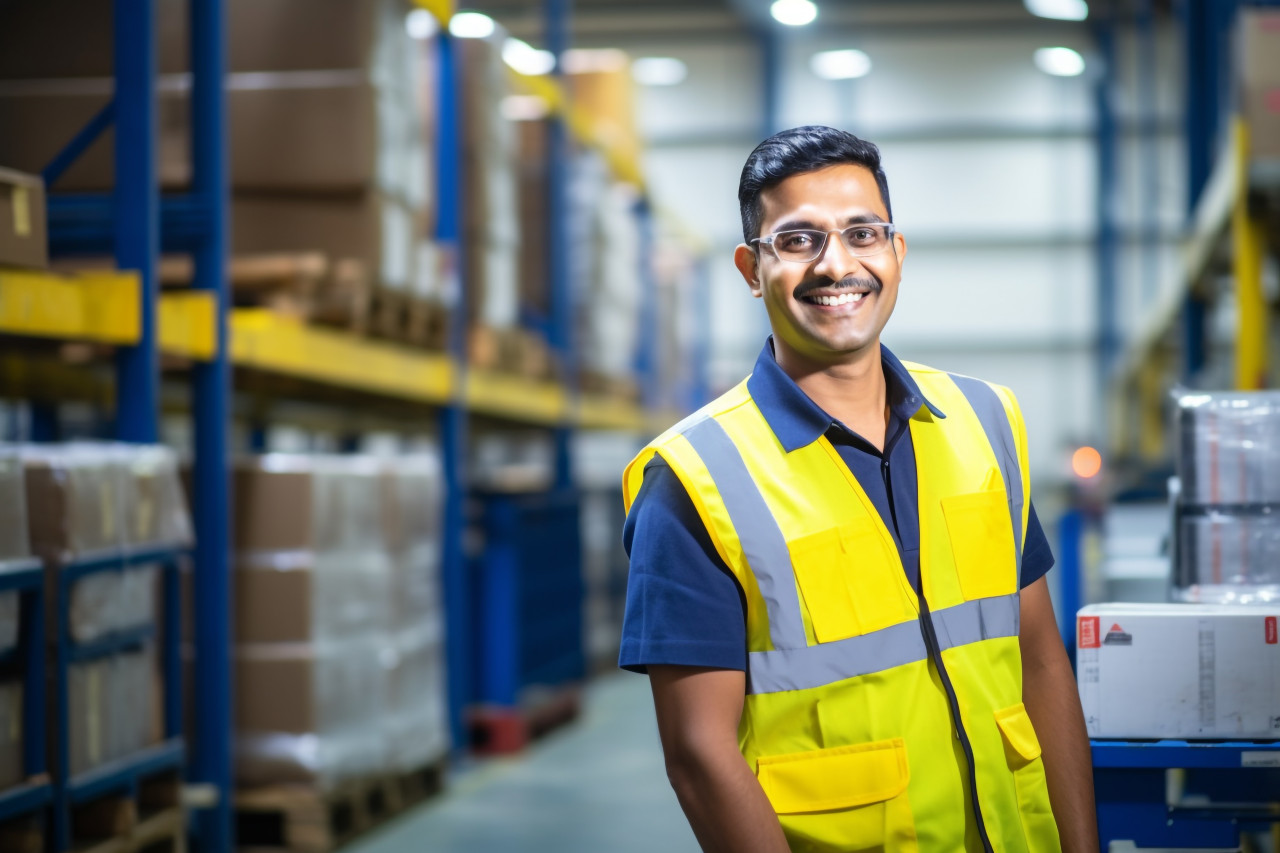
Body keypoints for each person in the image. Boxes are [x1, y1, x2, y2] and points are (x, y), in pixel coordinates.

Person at [618, 126, 1098, 852]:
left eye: (861, 233)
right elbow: (698, 754)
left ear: (896, 253)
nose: (836, 264)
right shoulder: (694, 478)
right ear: (752, 268)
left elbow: (1039, 659)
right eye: (798, 239)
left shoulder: (984, 420)